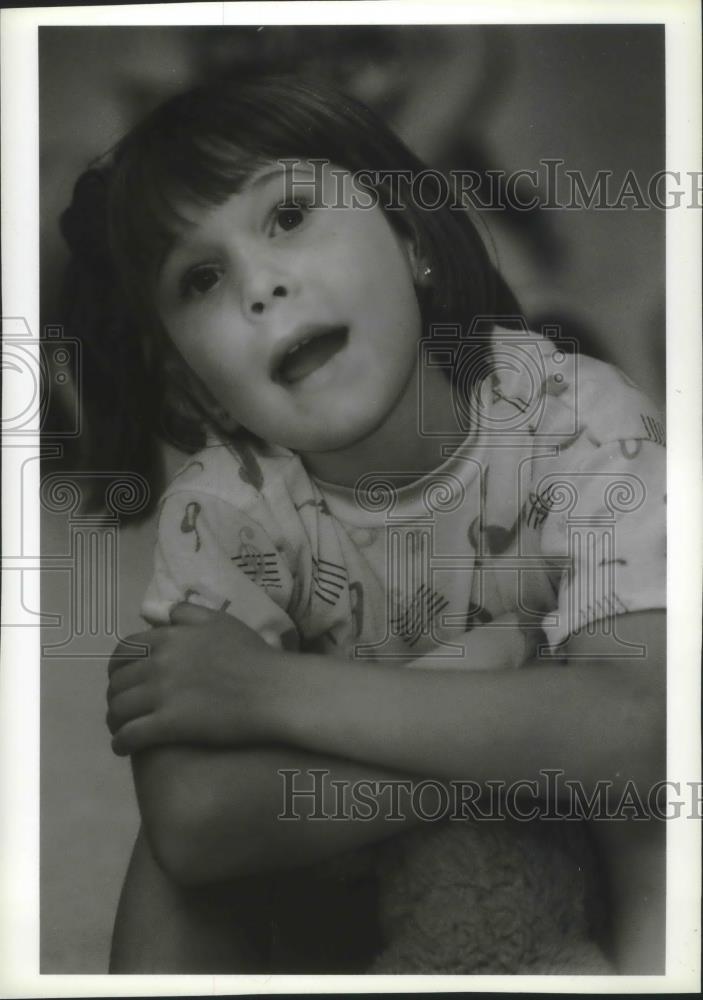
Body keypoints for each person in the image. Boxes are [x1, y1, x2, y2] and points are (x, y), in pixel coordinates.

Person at [59, 76, 666, 974]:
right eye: (200, 278)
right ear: (191, 387)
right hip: (339, 889)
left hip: (571, 855)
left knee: (663, 828)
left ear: (410, 237)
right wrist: (502, 698)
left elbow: (641, 739)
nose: (260, 287)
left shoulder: (571, 417)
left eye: (288, 217)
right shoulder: (227, 504)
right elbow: (191, 823)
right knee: (171, 872)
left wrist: (268, 692)